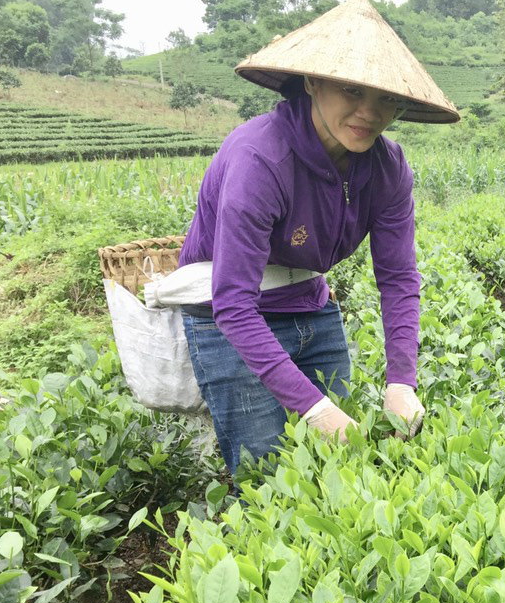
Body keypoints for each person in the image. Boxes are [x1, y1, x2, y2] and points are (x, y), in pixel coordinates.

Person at [175, 0, 460, 477]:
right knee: (269, 474)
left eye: (387, 98)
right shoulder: (259, 158)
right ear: (312, 81)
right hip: (229, 321)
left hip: (311, 307)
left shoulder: (388, 168)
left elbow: (398, 278)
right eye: (351, 89)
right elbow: (233, 305)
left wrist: (402, 381)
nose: (369, 112)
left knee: (341, 468)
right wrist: (315, 408)